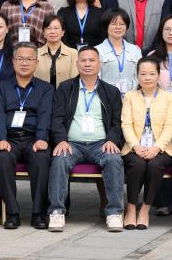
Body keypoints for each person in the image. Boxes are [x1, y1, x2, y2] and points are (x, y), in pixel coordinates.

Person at [46, 47, 126, 232]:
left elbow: (117, 122)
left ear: (99, 64)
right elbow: (56, 118)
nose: (87, 64)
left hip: (101, 144)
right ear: (77, 64)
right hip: (72, 144)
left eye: (91, 60)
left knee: (114, 160)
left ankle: (114, 212)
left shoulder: (111, 91)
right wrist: (61, 140)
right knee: (59, 160)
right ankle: (56, 211)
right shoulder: (65, 88)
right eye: (83, 60)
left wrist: (112, 140)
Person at [0, 43, 54, 229]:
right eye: (20, 58)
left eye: (29, 59)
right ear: (13, 61)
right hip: (9, 138)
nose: (24, 63)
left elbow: (45, 115)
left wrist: (41, 138)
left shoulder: (46, 88)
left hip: (34, 137)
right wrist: (1, 139)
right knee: (2, 158)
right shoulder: (0, 88)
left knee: (41, 158)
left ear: (36, 62)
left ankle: (38, 213)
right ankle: (12, 213)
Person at [120, 56, 172, 231]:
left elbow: (170, 126)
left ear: (158, 75)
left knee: (154, 165)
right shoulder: (130, 96)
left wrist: (157, 147)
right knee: (137, 165)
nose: (147, 77)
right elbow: (126, 124)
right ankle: (131, 208)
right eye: (143, 74)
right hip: (134, 147)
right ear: (137, 75)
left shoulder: (168, 97)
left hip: (162, 148)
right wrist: (136, 146)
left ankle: (145, 209)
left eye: (152, 73)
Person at [98, 8, 143, 94]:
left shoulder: (135, 50)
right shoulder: (97, 51)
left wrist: (130, 95)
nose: (118, 27)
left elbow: (139, 75)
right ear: (106, 26)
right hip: (107, 96)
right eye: (113, 24)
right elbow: (97, 77)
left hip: (131, 97)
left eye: (122, 24)